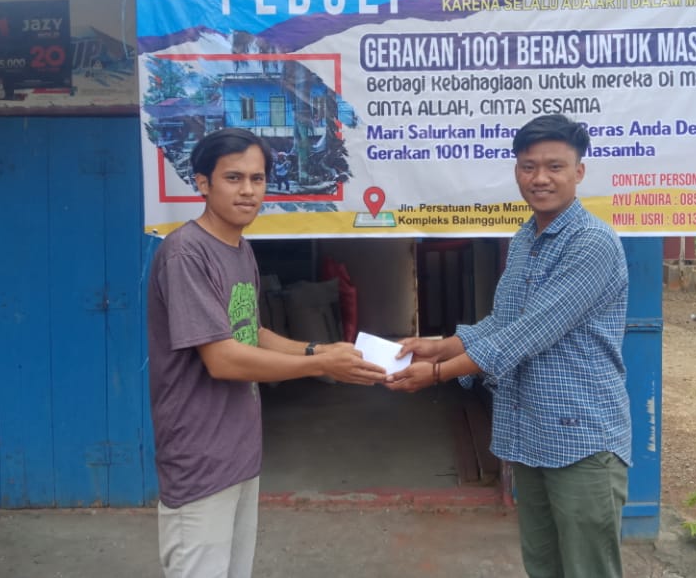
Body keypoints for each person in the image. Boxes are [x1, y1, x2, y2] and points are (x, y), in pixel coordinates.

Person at [386, 113, 631, 578]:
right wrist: (439, 346)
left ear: (579, 172)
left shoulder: (592, 243)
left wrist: (438, 374)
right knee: (542, 565)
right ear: (517, 170)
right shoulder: (524, 239)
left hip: (581, 438)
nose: (540, 178)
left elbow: (529, 333)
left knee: (588, 569)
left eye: (555, 167)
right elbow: (505, 321)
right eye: (528, 166)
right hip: (531, 432)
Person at [147, 127, 387, 578]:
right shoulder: (186, 254)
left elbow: (249, 332)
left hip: (239, 451)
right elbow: (223, 358)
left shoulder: (240, 249)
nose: (248, 191)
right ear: (203, 183)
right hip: (198, 456)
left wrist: (318, 347)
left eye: (257, 179)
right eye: (233, 178)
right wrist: (321, 364)